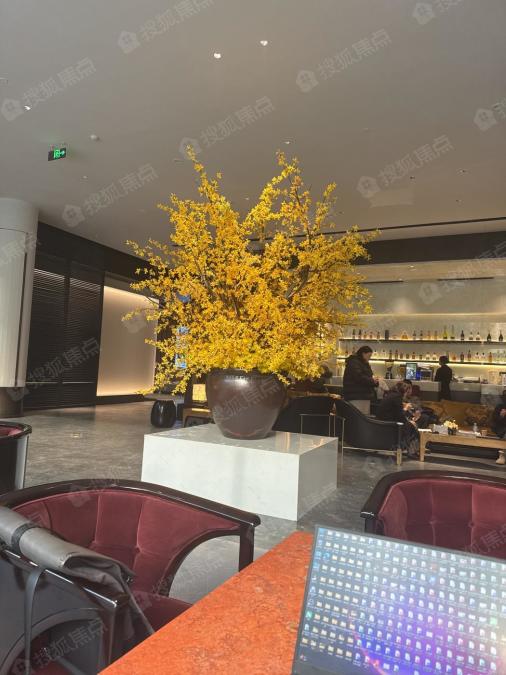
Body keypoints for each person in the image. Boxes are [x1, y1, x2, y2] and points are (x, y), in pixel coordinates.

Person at [376, 381, 420, 457]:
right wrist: (406, 409)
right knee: (412, 427)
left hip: (383, 420)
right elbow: (400, 415)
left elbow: (396, 413)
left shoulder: (391, 395)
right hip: (389, 423)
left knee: (409, 424)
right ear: (403, 391)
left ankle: (408, 449)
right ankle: (411, 450)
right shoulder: (397, 397)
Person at [342, 345, 378, 415]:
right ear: (363, 354)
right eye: (369, 356)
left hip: (362, 395)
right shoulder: (354, 363)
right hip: (356, 395)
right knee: (358, 416)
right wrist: (372, 381)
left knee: (362, 416)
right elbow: (359, 377)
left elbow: (366, 376)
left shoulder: (362, 363)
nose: (369, 358)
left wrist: (374, 381)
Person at [491, 389, 506, 465]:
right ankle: (502, 455)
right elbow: (494, 420)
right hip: (500, 427)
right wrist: (501, 416)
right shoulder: (500, 406)